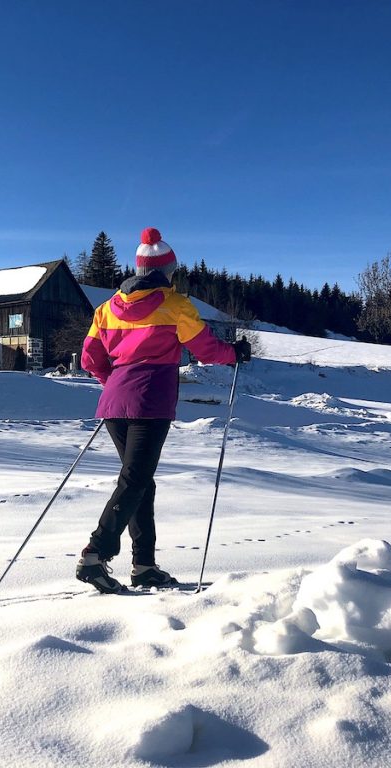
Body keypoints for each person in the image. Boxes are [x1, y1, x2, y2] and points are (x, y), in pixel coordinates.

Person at [77, 227, 251, 593]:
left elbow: (89, 358)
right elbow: (205, 350)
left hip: (114, 400)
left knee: (141, 481)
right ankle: (96, 554)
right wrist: (235, 352)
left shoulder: (106, 309)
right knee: (136, 479)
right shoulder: (175, 305)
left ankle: (144, 566)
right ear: (167, 271)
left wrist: (114, 381)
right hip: (151, 398)